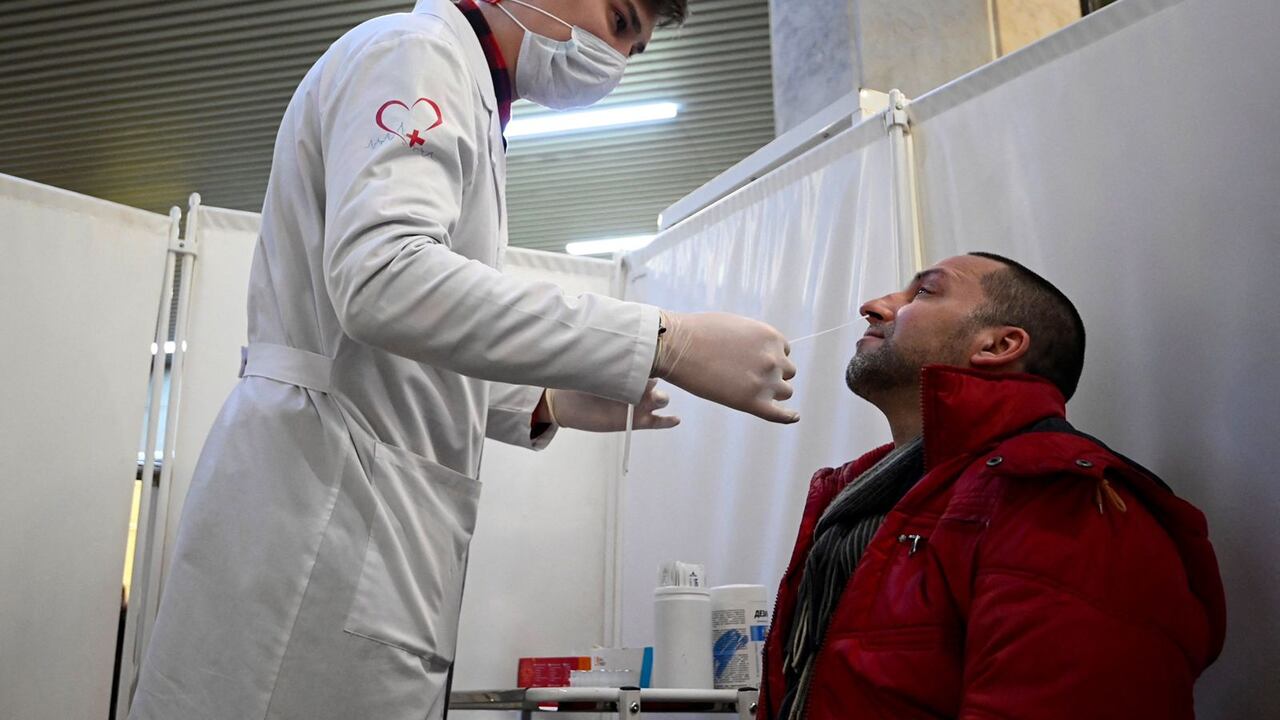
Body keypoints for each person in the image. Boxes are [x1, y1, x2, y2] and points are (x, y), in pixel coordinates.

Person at [128, 1, 801, 719]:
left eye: (634, 48)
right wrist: (665, 339)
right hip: (316, 512)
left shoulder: (468, 94)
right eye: (620, 19)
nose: (616, 59)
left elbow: (403, 344)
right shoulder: (414, 54)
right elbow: (384, 279)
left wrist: (543, 400)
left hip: (356, 501)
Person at [758, 253, 1226, 720]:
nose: (872, 307)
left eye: (924, 291)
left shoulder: (1060, 495)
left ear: (1000, 345)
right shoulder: (857, 499)